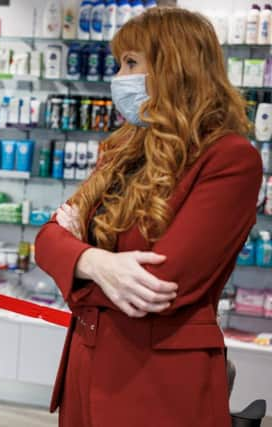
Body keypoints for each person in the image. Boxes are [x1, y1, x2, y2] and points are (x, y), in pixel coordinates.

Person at [35, 7, 262, 427]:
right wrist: (94, 263)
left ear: (174, 68)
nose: (119, 76)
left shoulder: (229, 158)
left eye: (131, 63)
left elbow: (157, 288)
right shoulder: (122, 149)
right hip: (85, 369)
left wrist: (72, 262)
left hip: (157, 384)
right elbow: (45, 238)